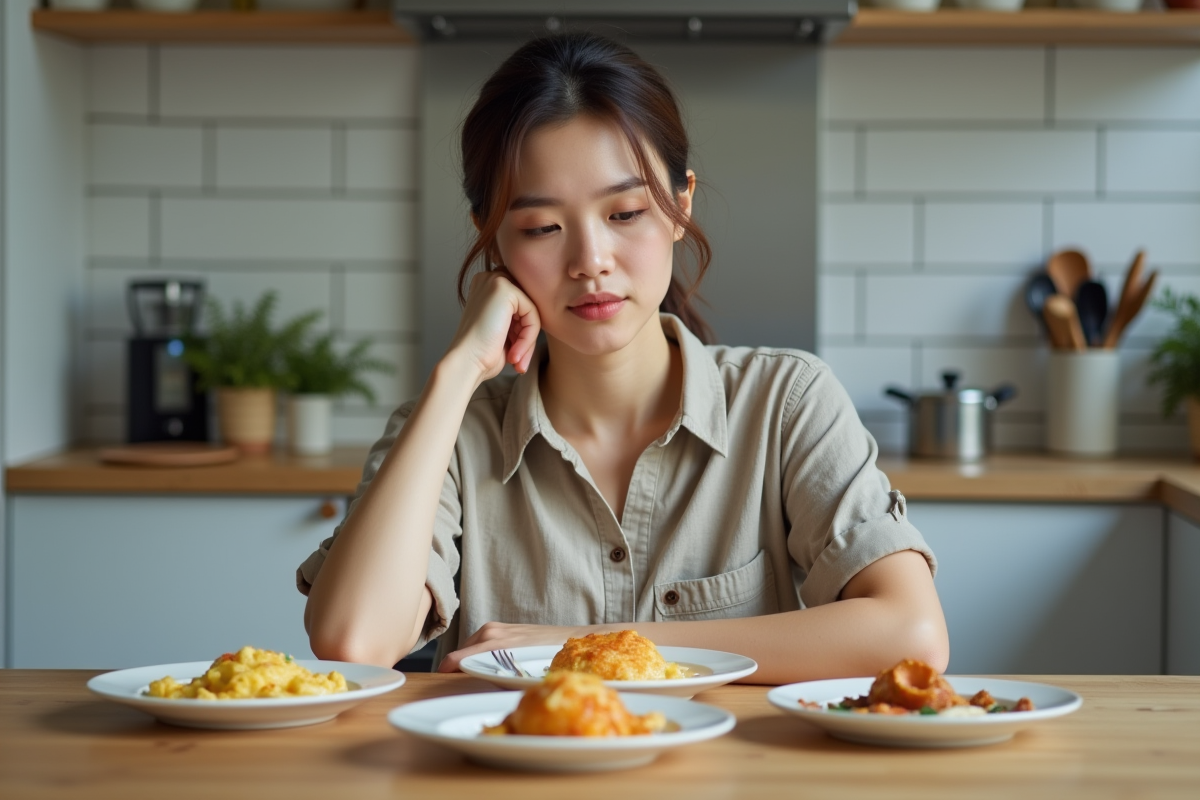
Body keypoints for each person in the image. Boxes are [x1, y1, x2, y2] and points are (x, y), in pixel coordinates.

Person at [298, 32, 949, 685]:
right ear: (491, 236)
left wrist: (585, 645)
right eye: (541, 228)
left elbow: (910, 635)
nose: (590, 261)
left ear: (679, 206)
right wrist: (458, 369)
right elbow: (353, 641)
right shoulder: (448, 434)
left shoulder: (786, 401)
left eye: (626, 212)